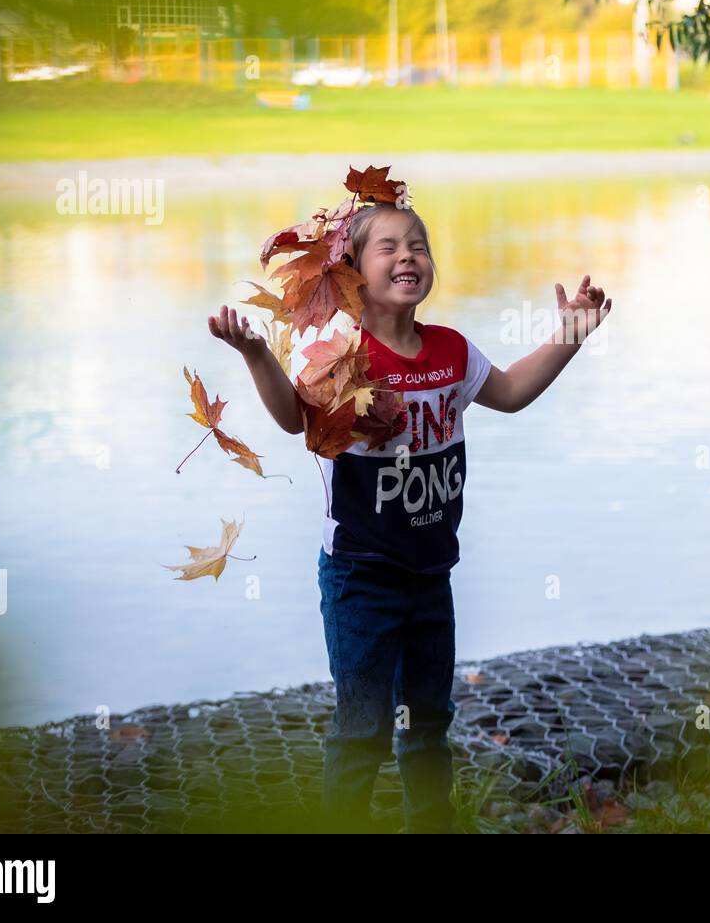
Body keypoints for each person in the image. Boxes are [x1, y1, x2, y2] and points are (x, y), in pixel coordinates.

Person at [208, 195, 612, 833]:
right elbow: (293, 420)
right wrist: (256, 354)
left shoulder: (451, 351)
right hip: (361, 577)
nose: (408, 256)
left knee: (428, 723)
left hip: (430, 576)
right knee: (364, 727)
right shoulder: (344, 357)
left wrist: (569, 336)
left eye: (418, 245)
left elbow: (509, 393)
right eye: (388, 247)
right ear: (351, 274)